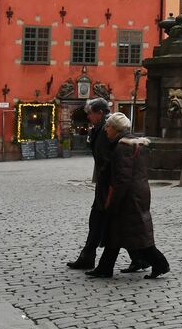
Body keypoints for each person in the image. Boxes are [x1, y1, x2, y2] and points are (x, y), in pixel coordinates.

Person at [87, 113, 169, 279]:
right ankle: (105, 267)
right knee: (115, 232)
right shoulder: (129, 143)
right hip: (135, 193)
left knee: (137, 235)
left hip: (128, 197)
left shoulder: (123, 147)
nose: (105, 130)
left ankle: (160, 263)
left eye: (108, 126)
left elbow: (122, 178)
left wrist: (113, 200)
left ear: (116, 128)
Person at [68, 98, 137, 271]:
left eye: (90, 113)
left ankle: (141, 256)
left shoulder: (107, 130)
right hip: (105, 183)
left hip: (108, 184)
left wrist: (107, 183)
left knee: (110, 222)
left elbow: (107, 159)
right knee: (103, 221)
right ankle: (89, 256)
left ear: (99, 113)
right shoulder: (102, 128)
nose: (88, 117)